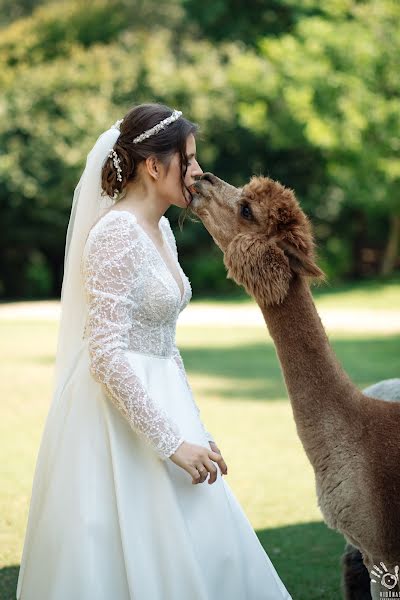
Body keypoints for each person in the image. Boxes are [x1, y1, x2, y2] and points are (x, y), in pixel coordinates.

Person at [16, 103, 292, 600]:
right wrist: (169, 442)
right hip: (114, 421)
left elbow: (165, 345)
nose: (197, 173)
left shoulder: (161, 229)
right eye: (187, 160)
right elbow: (104, 353)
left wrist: (196, 430)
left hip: (165, 400)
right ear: (152, 165)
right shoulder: (116, 235)